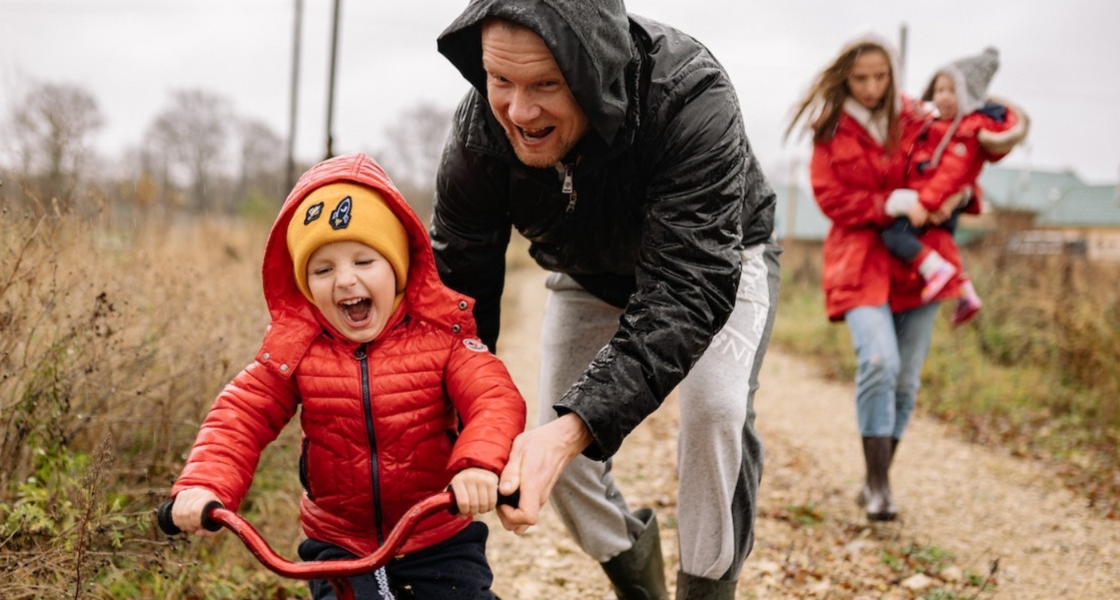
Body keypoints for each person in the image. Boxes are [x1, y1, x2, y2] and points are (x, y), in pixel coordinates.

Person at [431, 2, 779, 598]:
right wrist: (452, 426)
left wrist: (574, 428)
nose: (519, 110)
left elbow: (687, 286)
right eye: (500, 81)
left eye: (546, 84)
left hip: (717, 259)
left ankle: (707, 589)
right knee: (555, 451)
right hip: (588, 273)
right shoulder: (478, 140)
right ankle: (637, 582)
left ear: (595, 71)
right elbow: (458, 303)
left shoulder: (690, 95)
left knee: (714, 410)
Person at [169, 153, 527, 599]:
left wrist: (477, 464)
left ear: (397, 265)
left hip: (436, 534)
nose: (344, 281)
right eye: (323, 269)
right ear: (305, 285)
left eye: (364, 261)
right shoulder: (295, 351)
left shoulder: (441, 338)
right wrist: (204, 483)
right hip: (337, 541)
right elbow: (239, 416)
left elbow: (495, 398)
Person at [785, 33, 948, 522]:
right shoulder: (830, 128)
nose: (871, 86)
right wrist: (886, 204)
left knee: (906, 379)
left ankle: (878, 480)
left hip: (919, 259)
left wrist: (950, 195)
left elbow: (958, 161)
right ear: (844, 77)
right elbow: (830, 198)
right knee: (879, 360)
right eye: (860, 78)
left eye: (880, 76)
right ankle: (877, 484)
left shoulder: (918, 119)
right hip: (858, 260)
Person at [885, 47, 1029, 325]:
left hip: (934, 202)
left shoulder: (964, 131)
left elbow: (950, 174)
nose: (943, 97)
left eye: (952, 90)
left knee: (894, 236)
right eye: (939, 89)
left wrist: (925, 204)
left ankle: (936, 271)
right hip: (935, 200)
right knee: (941, 242)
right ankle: (965, 292)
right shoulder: (934, 126)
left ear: (968, 96)